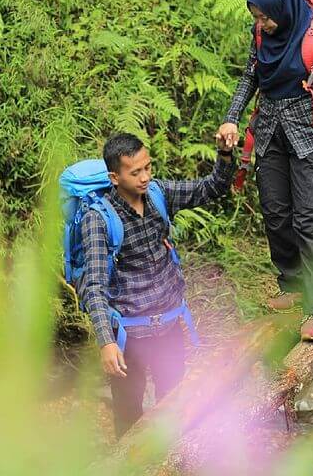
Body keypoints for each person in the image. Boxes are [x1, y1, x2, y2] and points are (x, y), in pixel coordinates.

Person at [216, 0, 313, 342]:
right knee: (275, 212)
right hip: (270, 131)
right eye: (256, 17)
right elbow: (250, 76)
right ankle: (290, 284)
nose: (261, 24)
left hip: (308, 135)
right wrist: (231, 118)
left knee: (309, 218)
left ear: (285, 7)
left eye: (265, 16)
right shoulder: (261, 33)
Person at [81, 132, 235, 437]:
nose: (144, 178)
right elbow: (93, 286)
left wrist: (225, 156)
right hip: (130, 335)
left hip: (169, 325)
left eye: (147, 168)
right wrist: (106, 341)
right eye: (135, 172)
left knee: (176, 405)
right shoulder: (98, 220)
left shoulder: (158, 194)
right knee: (129, 417)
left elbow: (212, 188)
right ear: (114, 177)